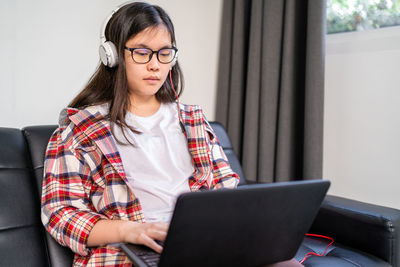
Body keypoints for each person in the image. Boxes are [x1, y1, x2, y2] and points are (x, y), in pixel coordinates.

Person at [41, 2, 302, 266]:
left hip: (202, 242)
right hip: (129, 251)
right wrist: (129, 230)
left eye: (164, 53)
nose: (155, 65)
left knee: (286, 262)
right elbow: (61, 214)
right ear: (114, 56)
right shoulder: (80, 130)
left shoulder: (193, 121)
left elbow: (226, 188)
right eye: (142, 53)